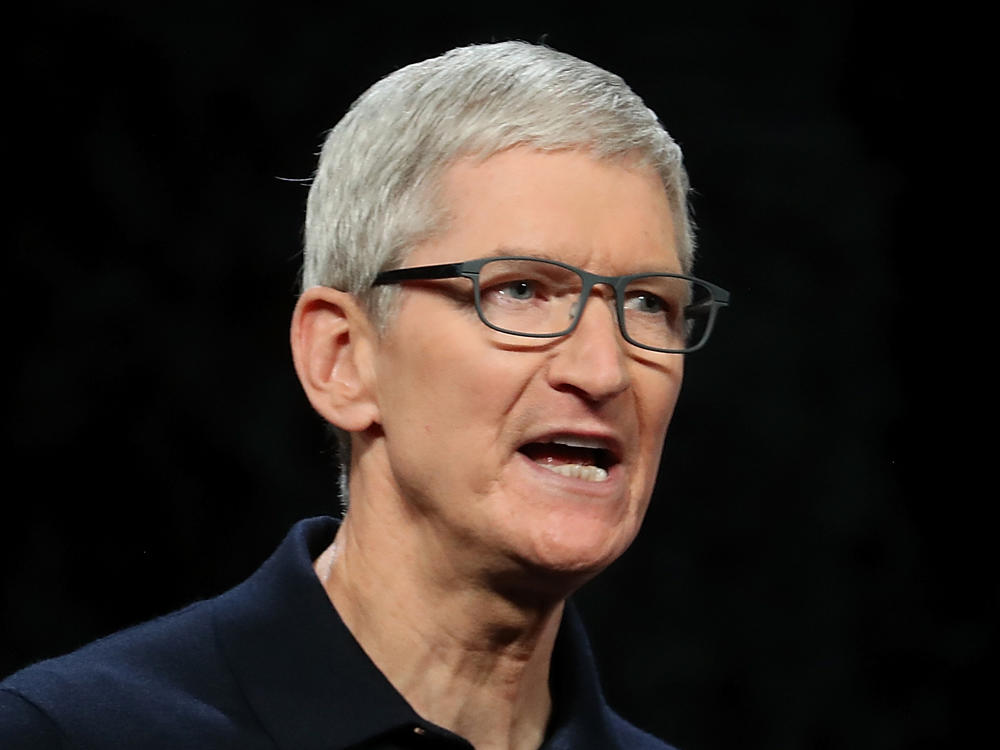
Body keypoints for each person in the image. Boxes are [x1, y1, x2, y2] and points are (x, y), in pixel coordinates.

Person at [0, 41, 729, 749]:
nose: (604, 371)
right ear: (342, 359)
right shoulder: (68, 733)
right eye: (520, 291)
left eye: (648, 304)